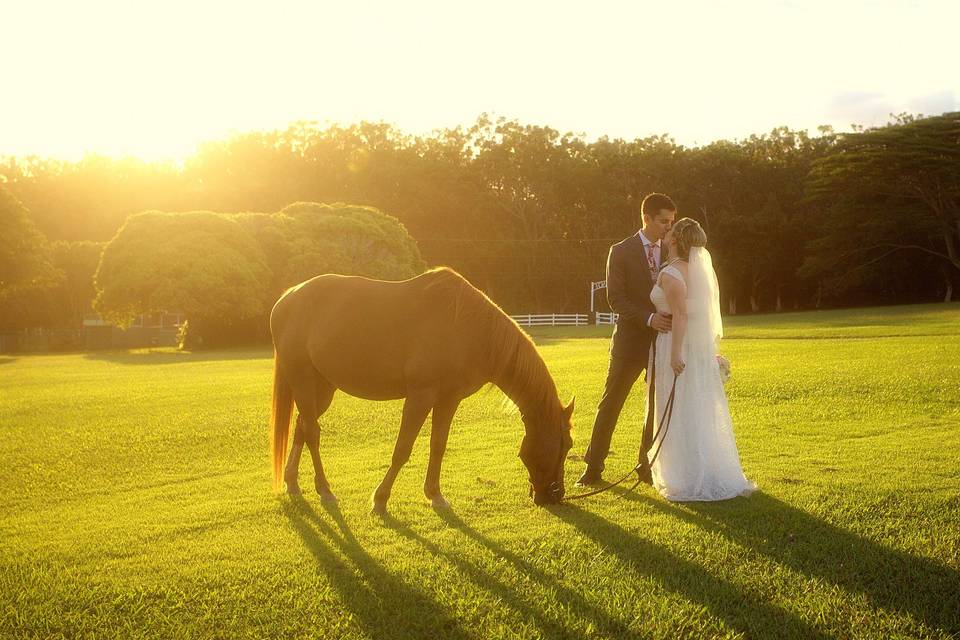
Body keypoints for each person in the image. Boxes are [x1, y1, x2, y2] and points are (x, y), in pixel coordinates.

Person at [648, 218, 756, 501]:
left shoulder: (672, 274)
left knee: (680, 406)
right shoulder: (699, 273)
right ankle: (700, 467)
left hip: (675, 345)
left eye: (671, 230)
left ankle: (684, 475)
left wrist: (674, 354)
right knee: (695, 405)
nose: (666, 232)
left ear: (674, 240)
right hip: (696, 349)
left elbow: (681, 314)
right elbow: (704, 316)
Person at [576, 193, 676, 487]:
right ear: (646, 218)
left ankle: (646, 465)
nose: (668, 229)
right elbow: (615, 298)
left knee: (655, 404)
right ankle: (593, 467)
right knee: (611, 403)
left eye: (671, 222)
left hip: (663, 342)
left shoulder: (672, 250)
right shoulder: (620, 251)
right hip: (629, 343)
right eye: (663, 222)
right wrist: (648, 318)